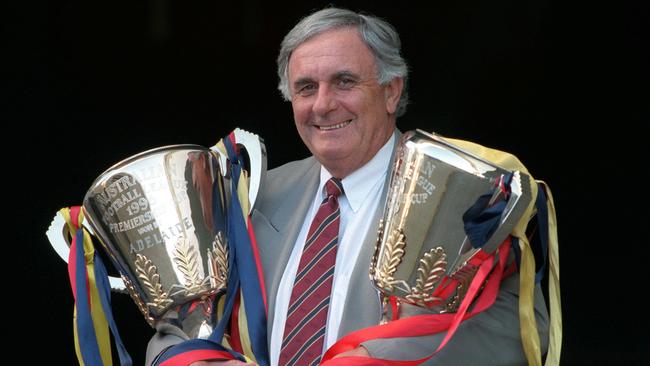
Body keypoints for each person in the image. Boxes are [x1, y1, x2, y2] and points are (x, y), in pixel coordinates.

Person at [147, 7, 550, 365]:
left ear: (392, 90)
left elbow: (512, 327)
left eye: (344, 82)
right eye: (306, 88)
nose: (322, 105)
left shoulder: (459, 192)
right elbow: (177, 327)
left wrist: (375, 361)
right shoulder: (253, 196)